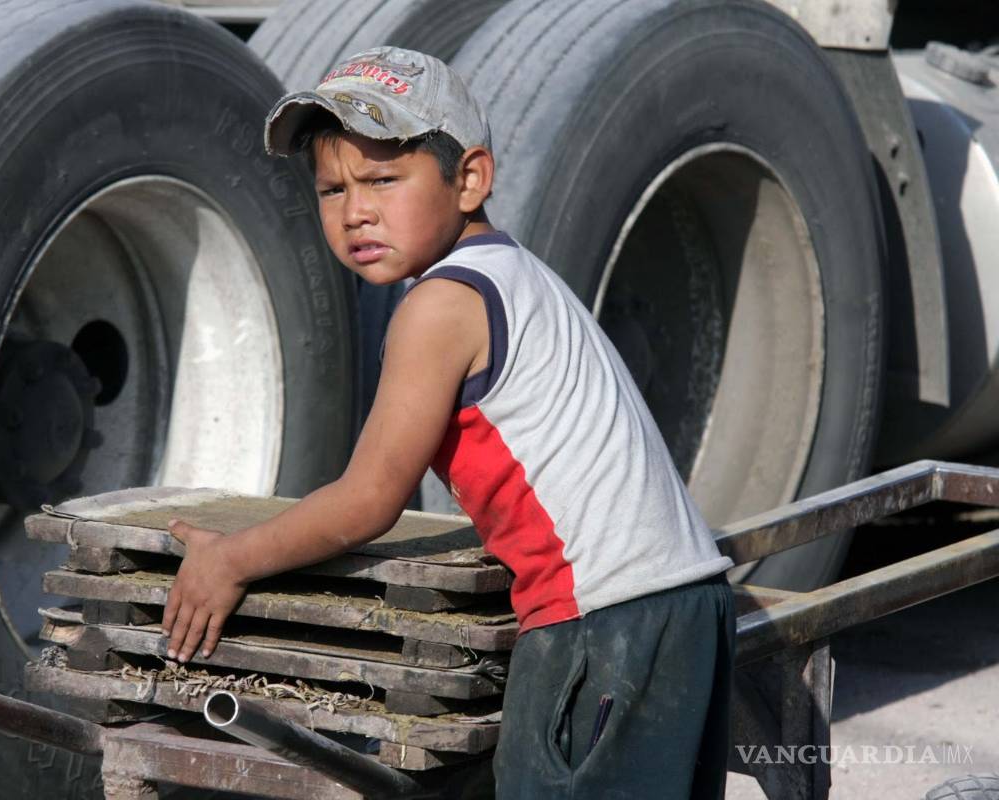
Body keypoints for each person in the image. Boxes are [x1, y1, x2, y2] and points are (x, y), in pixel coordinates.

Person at [161, 46, 737, 799]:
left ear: (469, 179)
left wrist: (230, 560)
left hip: (603, 626)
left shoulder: (441, 306)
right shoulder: (513, 271)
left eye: (382, 180)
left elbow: (370, 499)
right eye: (331, 189)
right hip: (681, 607)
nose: (354, 210)